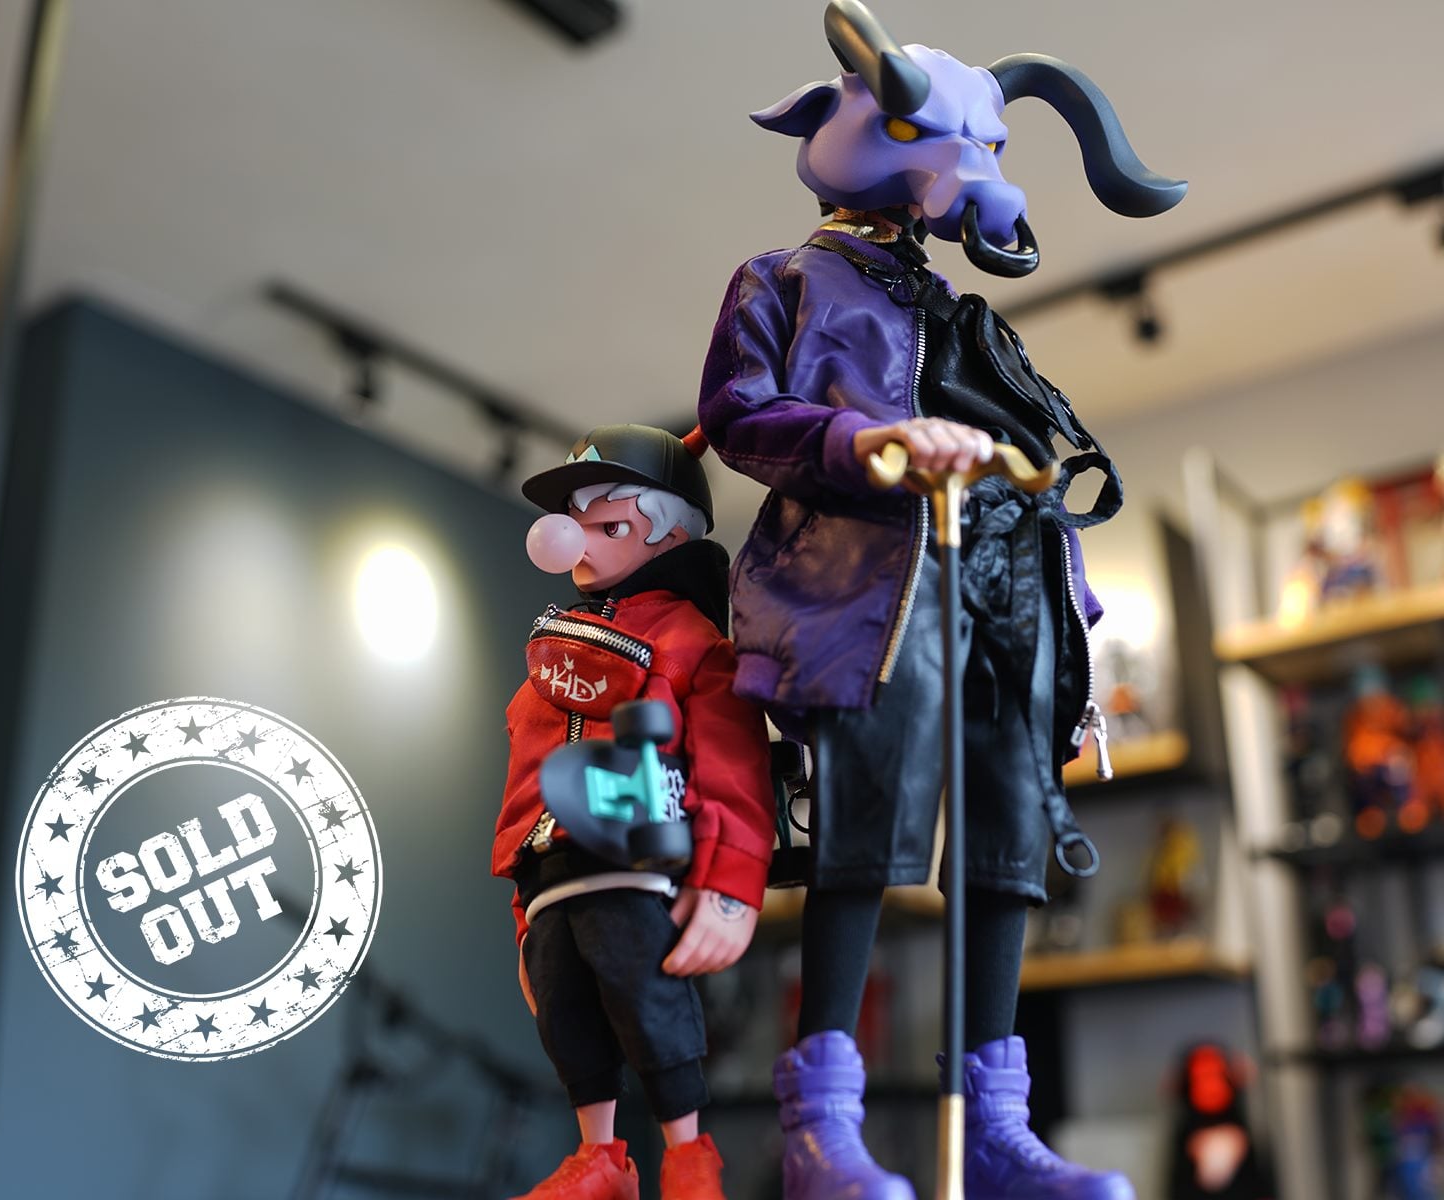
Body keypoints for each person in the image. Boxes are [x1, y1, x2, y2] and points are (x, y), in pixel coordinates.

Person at [693, 2, 1183, 1195]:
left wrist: (1057, 563)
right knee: (864, 833)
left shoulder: (953, 308)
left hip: (1000, 585)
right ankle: (819, 1125)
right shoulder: (781, 281)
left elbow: (1026, 440)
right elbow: (739, 417)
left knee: (1007, 833)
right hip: (864, 592)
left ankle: (998, 1130)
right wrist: (864, 444)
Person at [492, 424, 775, 1200]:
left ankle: (687, 1152)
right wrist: (523, 909)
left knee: (646, 996)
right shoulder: (556, 650)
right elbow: (528, 772)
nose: (577, 542)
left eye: (609, 527)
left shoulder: (693, 642)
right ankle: (600, 1158)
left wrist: (731, 883)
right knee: (566, 1013)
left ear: (672, 535)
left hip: (636, 860)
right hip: (551, 871)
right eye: (575, 524)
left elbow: (734, 767)